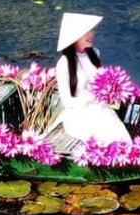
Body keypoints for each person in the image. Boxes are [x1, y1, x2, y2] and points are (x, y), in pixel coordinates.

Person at [54, 12, 131, 144]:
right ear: (75, 36)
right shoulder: (64, 64)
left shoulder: (94, 53)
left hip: (99, 107)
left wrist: (110, 92)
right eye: (86, 32)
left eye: (91, 31)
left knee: (120, 135)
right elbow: (67, 101)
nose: (91, 35)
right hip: (78, 113)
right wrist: (93, 98)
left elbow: (99, 81)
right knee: (102, 138)